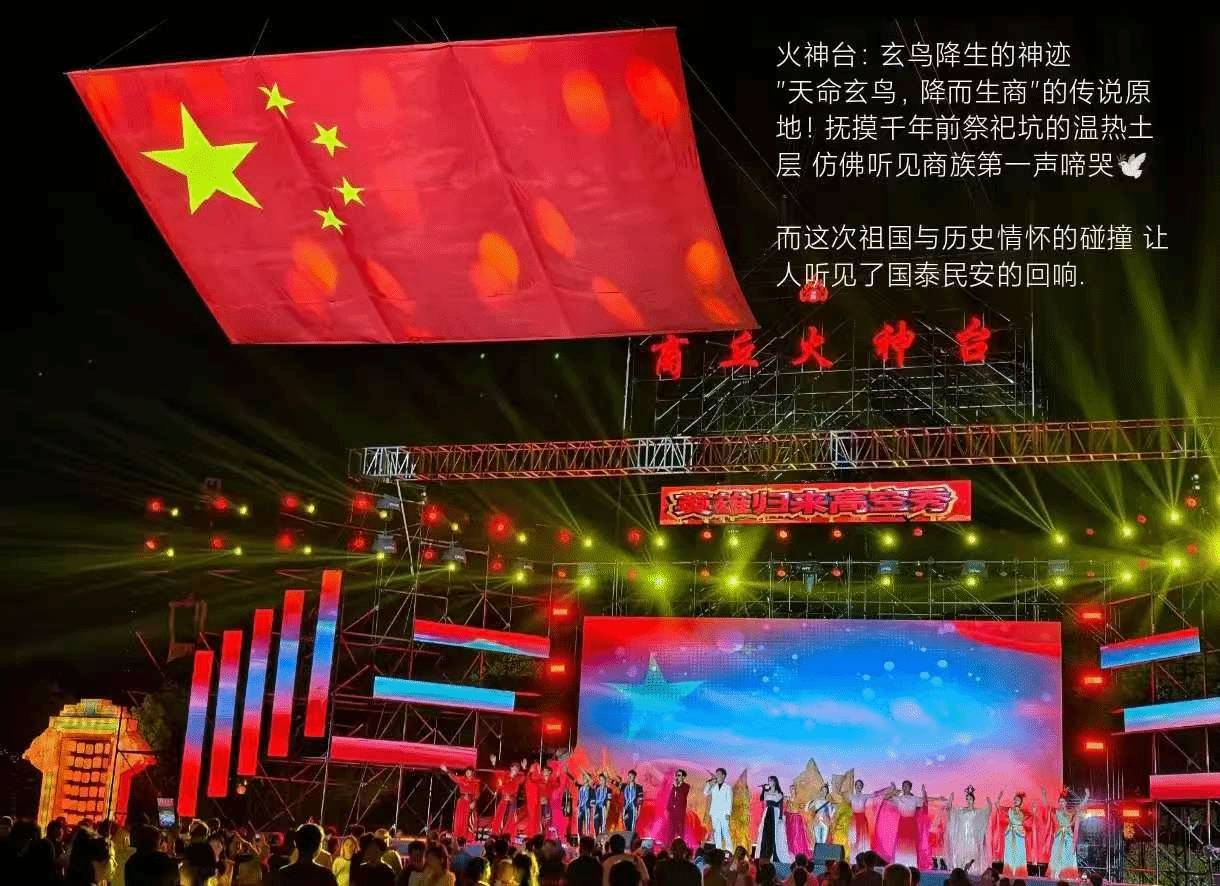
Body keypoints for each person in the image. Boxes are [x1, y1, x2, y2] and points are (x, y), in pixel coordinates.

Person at [1045, 790, 1085, 881]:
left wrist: (1086, 797)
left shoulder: (1070, 811)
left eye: (1062, 801)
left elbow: (1080, 807)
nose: (1061, 803)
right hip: (1059, 835)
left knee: (1067, 853)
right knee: (1057, 853)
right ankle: (1056, 873)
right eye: (1059, 802)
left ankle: (1067, 874)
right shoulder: (1057, 811)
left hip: (1068, 835)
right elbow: (1047, 806)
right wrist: (1044, 796)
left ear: (1066, 803)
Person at [756, 776, 793, 864]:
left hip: (775, 813)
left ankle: (774, 854)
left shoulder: (779, 793)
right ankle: (764, 854)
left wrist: (780, 816)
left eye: (771, 780)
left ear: (774, 782)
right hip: (767, 812)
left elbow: (781, 805)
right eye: (768, 780)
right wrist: (763, 789)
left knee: (775, 833)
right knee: (766, 832)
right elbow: (761, 798)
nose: (769, 782)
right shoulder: (767, 792)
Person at [704, 770, 733, 851]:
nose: (717, 776)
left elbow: (729, 801)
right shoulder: (713, 786)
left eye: (719, 774)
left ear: (723, 776)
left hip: (724, 813)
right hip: (714, 812)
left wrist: (728, 813)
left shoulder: (727, 787)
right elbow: (706, 792)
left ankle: (729, 850)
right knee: (717, 833)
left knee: (725, 832)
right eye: (716, 774)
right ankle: (718, 850)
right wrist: (709, 783)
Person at [667, 771, 691, 845]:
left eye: (679, 775)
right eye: (676, 775)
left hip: (680, 813)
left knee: (680, 831)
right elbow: (670, 798)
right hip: (672, 812)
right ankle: (670, 846)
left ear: (683, 777)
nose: (677, 777)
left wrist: (676, 787)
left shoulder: (686, 786)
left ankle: (680, 847)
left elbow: (681, 796)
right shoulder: (674, 787)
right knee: (671, 831)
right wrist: (668, 808)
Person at [619, 770, 645, 835]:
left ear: (634, 777)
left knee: (632, 827)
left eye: (631, 776)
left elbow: (640, 801)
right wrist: (608, 778)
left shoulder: (638, 788)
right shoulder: (624, 786)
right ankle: (627, 838)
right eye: (629, 776)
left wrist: (638, 811)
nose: (630, 777)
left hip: (633, 809)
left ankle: (631, 839)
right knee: (625, 826)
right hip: (626, 808)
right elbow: (616, 783)